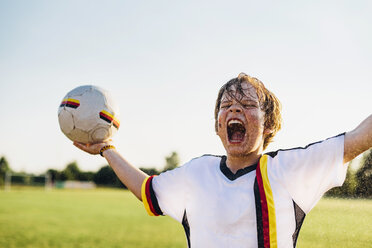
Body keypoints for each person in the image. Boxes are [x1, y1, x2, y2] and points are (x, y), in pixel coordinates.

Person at [74, 73, 372, 248]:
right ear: (218, 125)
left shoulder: (290, 169)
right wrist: (107, 149)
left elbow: (359, 138)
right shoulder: (197, 173)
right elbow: (147, 191)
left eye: (246, 105)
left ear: (269, 125)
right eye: (226, 105)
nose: (234, 110)